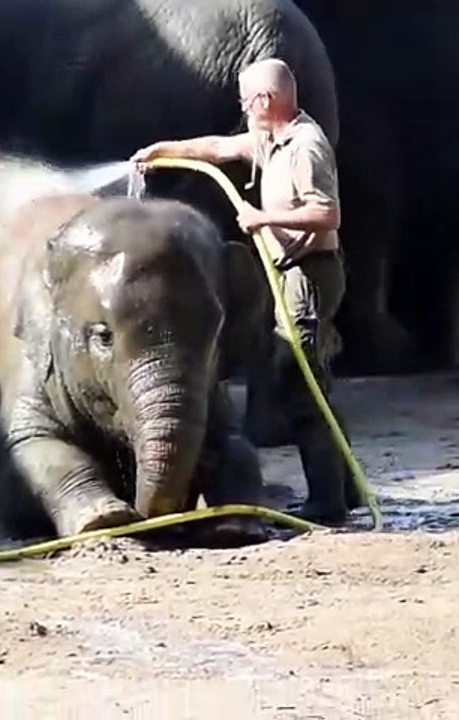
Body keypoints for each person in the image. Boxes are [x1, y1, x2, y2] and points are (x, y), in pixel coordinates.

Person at [130, 58, 360, 526]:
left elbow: (327, 215)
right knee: (310, 380)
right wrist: (164, 151)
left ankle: (328, 503)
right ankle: (347, 488)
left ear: (264, 101)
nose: (242, 107)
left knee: (302, 385)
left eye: (244, 99)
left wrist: (265, 220)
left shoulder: (305, 146)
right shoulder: (271, 138)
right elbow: (220, 147)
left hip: (308, 275)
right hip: (292, 270)